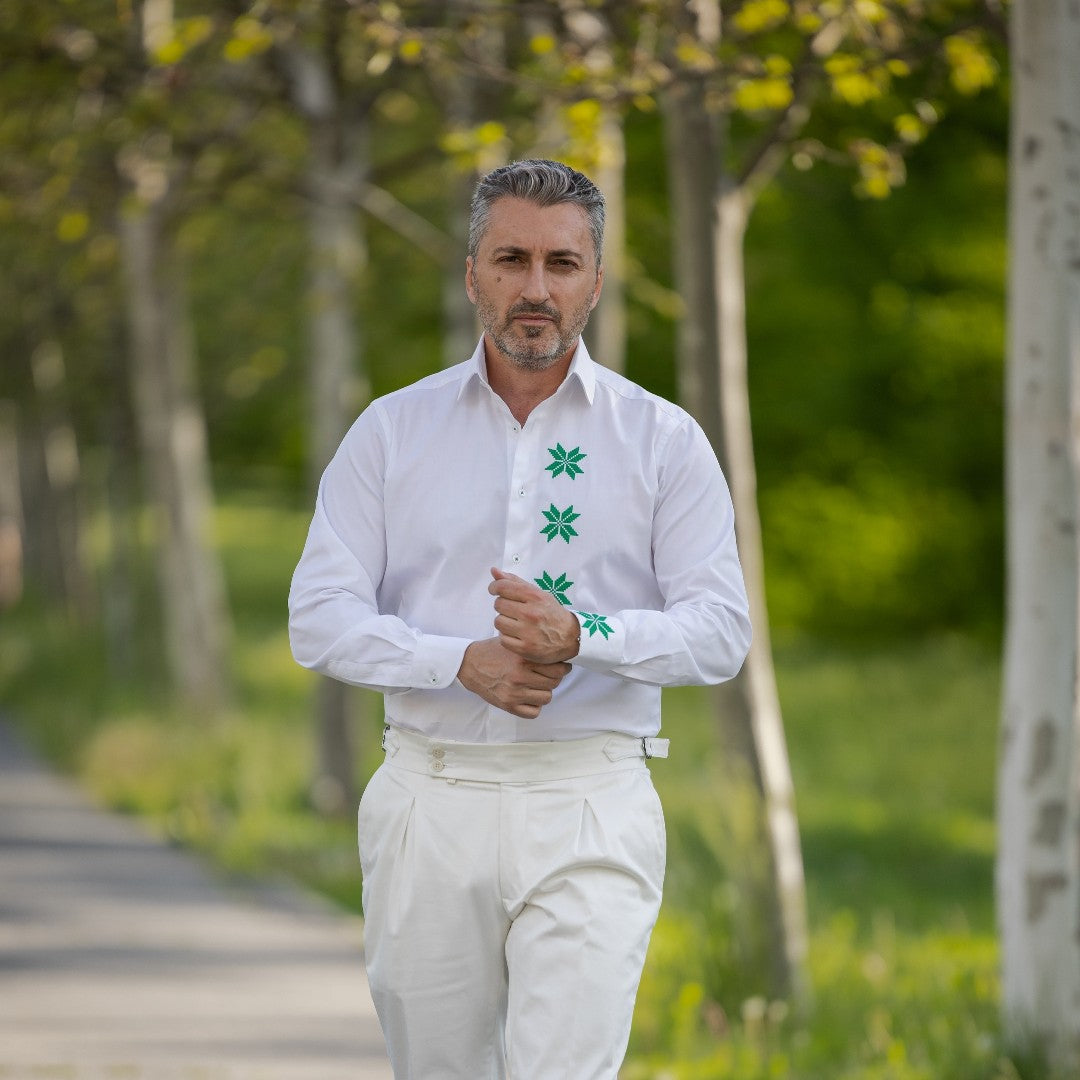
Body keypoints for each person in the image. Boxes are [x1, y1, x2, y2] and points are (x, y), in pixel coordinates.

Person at [288, 158, 751, 1080]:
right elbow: (319, 616)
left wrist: (583, 635)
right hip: (429, 793)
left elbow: (720, 630)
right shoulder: (391, 431)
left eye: (561, 264)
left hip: (590, 798)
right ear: (472, 275)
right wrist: (456, 661)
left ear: (595, 281)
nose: (535, 289)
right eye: (511, 259)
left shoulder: (663, 439)